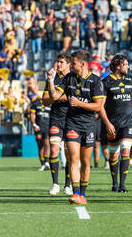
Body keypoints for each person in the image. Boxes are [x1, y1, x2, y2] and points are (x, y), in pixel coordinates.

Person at [47, 50, 104, 205]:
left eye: (73, 63)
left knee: (85, 162)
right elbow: (53, 97)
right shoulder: (68, 78)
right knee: (74, 159)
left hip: (89, 125)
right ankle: (76, 193)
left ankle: (82, 194)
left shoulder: (96, 81)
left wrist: (80, 104)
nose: (71, 65)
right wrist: (51, 81)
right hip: (72, 124)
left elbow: (98, 106)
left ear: (83, 64)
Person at [100, 54, 132, 192]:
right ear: (118, 66)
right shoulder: (106, 82)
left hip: (128, 122)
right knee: (114, 154)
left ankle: (123, 185)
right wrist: (107, 123)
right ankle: (115, 183)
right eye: (125, 64)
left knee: (126, 149)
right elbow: (100, 105)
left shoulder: (130, 80)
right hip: (112, 123)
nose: (128, 67)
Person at [42, 53, 72, 196]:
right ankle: (55, 184)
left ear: (68, 64)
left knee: (68, 153)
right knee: (54, 150)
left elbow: (76, 97)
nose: (58, 64)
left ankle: (68, 184)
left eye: (61, 62)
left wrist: (56, 96)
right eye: (57, 61)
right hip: (55, 118)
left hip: (72, 119)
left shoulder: (74, 78)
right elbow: (45, 100)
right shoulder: (51, 78)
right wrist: (51, 83)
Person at [30, 94, 51, 171]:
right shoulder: (36, 103)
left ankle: (46, 162)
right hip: (38, 127)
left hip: (47, 127)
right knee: (40, 146)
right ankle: (42, 164)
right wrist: (34, 124)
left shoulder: (50, 103)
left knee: (47, 144)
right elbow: (32, 114)